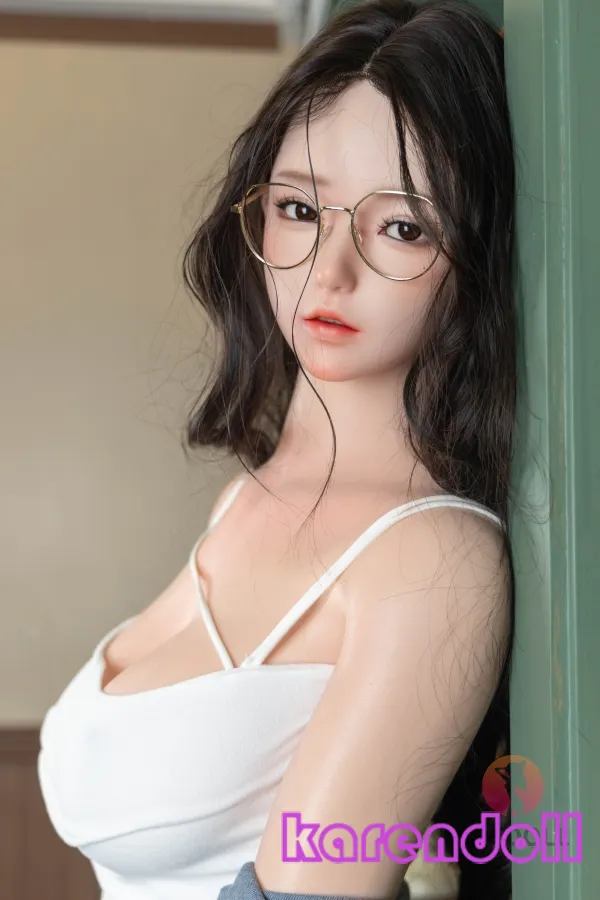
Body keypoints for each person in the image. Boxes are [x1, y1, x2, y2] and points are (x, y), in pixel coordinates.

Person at [37, 1, 517, 898]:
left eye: (403, 227)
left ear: (477, 255)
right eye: (299, 209)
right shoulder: (248, 497)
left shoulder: (429, 562)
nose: (329, 270)